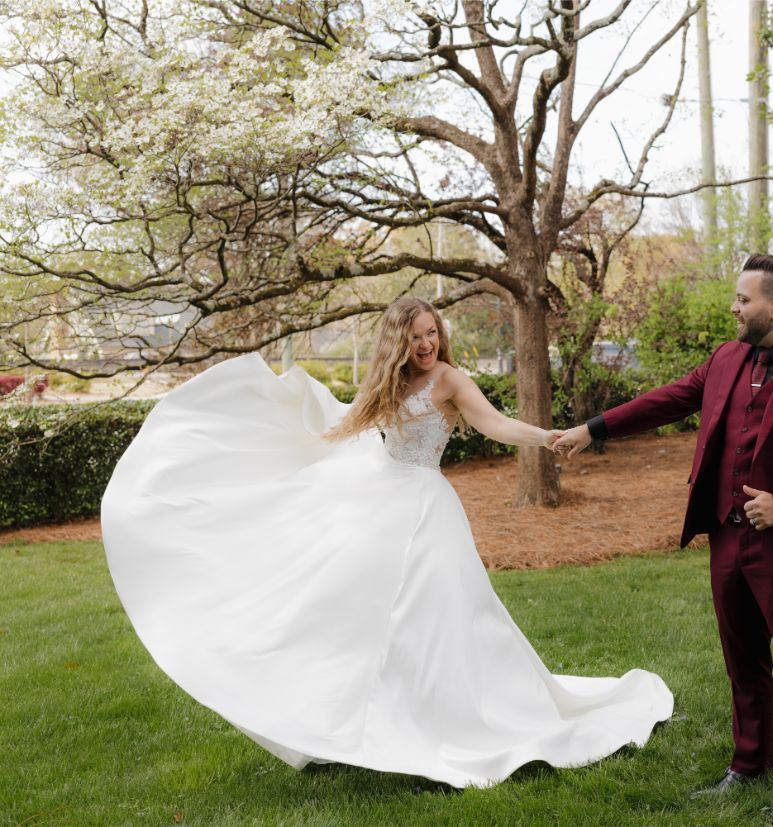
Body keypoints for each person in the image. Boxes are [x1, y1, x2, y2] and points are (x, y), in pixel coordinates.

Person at [101, 297, 672, 787]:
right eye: (417, 336)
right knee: (352, 611)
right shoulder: (388, 382)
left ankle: (453, 714)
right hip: (374, 500)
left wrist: (545, 437)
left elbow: (495, 423)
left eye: (432, 333)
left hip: (424, 506)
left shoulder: (449, 380)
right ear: (399, 339)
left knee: (440, 615)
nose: (427, 344)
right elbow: (346, 428)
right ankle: (350, 716)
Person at [554, 254, 773, 818]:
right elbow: (668, 399)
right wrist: (592, 429)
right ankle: (749, 764)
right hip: (726, 536)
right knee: (742, 659)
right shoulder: (726, 358)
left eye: (743, 299)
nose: (734, 307)